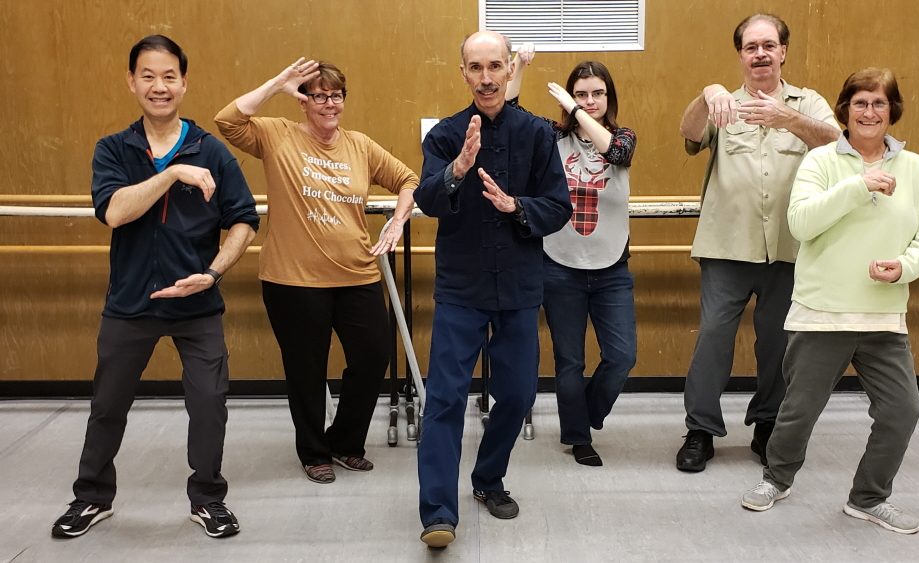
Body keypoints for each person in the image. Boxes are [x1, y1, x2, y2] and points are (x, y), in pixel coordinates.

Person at [52, 35, 259, 539]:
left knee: (209, 403)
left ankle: (208, 498)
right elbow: (115, 211)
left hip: (197, 303)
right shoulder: (114, 149)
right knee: (108, 405)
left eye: (169, 77)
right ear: (132, 82)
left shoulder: (211, 149)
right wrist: (171, 176)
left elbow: (244, 220)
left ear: (184, 83)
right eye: (148, 76)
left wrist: (211, 274)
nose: (159, 86)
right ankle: (92, 497)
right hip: (130, 304)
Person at [741, 68, 919, 535]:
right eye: (860, 103)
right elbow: (802, 224)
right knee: (799, 410)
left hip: (884, 316)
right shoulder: (820, 161)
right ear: (845, 111)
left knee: (902, 411)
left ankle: (869, 498)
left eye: (879, 103)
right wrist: (859, 185)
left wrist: (905, 266)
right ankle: (777, 479)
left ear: (892, 111)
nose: (870, 112)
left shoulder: (915, 168)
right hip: (821, 313)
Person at [215, 58, 418, 484]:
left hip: (358, 274)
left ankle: (345, 442)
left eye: (336, 95)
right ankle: (313, 452)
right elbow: (228, 120)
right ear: (303, 101)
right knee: (306, 370)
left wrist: (397, 221)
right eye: (319, 95)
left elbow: (407, 179)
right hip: (293, 282)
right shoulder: (277, 135)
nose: (329, 104)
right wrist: (276, 82)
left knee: (372, 356)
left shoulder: (359, 145)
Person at [414, 31, 572, 548]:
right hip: (461, 288)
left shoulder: (537, 134)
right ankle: (438, 511)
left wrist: (517, 208)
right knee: (444, 399)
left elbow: (558, 205)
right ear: (463, 73)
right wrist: (458, 170)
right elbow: (428, 199)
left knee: (520, 393)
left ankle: (487, 478)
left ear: (509, 70)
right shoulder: (444, 136)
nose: (485, 76)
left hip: (521, 288)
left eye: (494, 66)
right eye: (475, 67)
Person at [676, 13, 840, 472]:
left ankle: (767, 424)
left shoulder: (808, 102)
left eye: (769, 45)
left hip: (789, 248)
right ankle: (700, 430)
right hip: (727, 246)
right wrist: (706, 93)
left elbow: (838, 143)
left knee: (778, 343)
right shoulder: (723, 103)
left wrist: (787, 118)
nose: (761, 54)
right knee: (712, 339)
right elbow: (689, 135)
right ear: (741, 55)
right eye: (751, 47)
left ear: (783, 51)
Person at [506, 48, 637, 467]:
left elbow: (615, 154)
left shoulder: (623, 137)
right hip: (560, 264)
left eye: (597, 94)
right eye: (580, 94)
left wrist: (576, 114)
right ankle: (578, 437)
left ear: (608, 98)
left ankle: (586, 412)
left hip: (611, 266)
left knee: (621, 356)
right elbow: (509, 111)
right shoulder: (551, 138)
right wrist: (520, 66)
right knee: (570, 360)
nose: (589, 101)